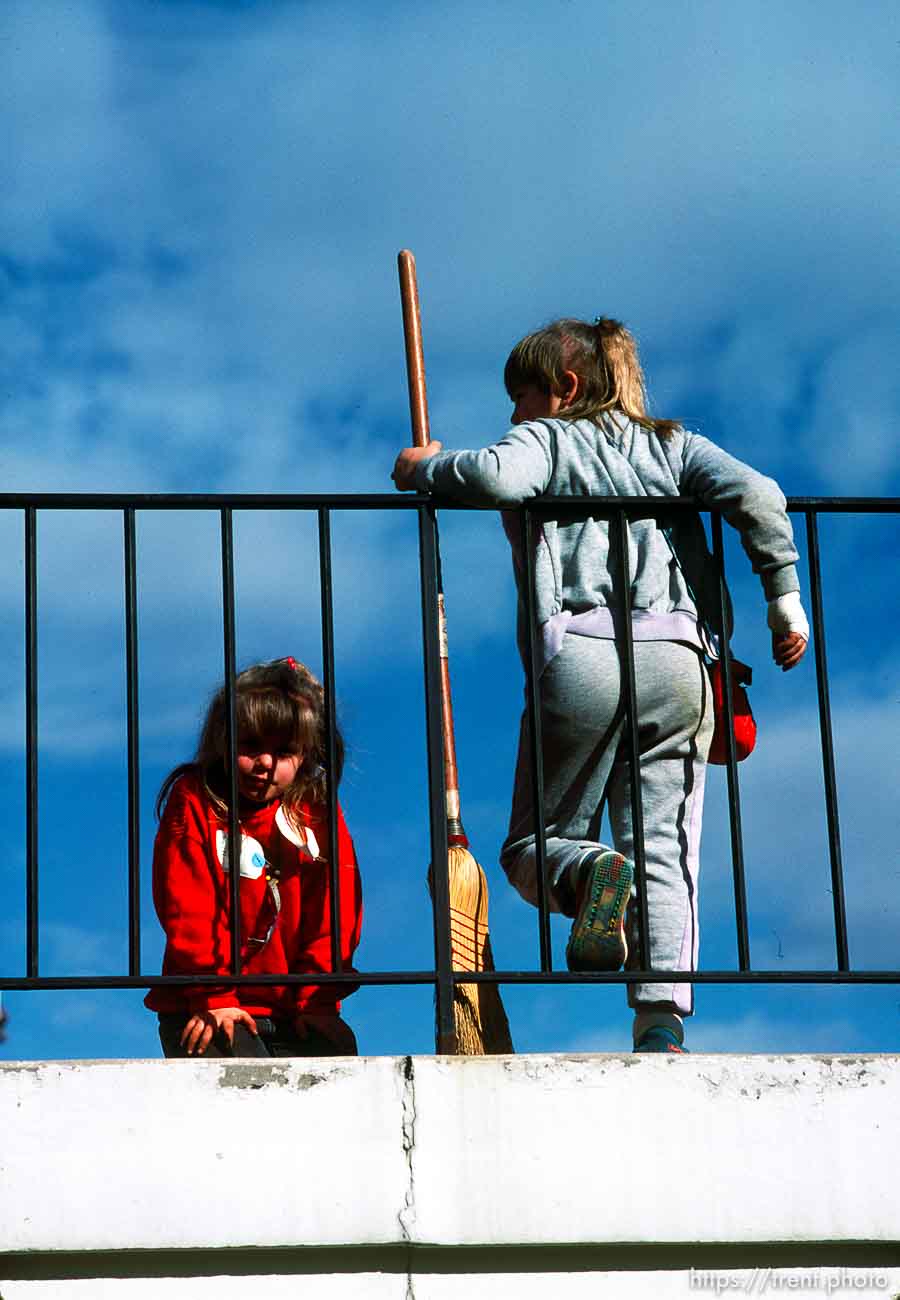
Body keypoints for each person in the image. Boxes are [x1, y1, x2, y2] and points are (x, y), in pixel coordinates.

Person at [392, 317, 808, 1054]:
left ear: (565, 388)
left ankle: (590, 876)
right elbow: (760, 492)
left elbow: (495, 477)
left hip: (580, 649)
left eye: (521, 397)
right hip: (680, 659)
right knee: (667, 845)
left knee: (533, 844)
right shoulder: (674, 444)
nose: (514, 416)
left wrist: (426, 466)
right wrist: (783, 597)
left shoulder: (547, 439)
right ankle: (660, 1024)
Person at [145, 656, 362, 1058]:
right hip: (203, 1004)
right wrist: (214, 995)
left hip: (294, 1007)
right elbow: (186, 906)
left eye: (283, 751)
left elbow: (335, 908)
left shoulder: (317, 811)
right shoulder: (195, 799)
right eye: (250, 745)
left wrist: (319, 999)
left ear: (305, 755)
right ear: (221, 740)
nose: (265, 762)